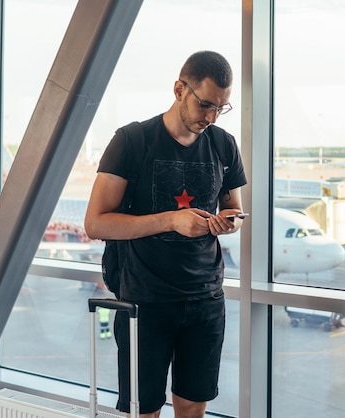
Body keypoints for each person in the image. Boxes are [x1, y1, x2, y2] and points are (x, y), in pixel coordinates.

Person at [84, 51, 247, 418]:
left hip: (206, 298)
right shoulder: (132, 140)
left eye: (221, 108)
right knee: (145, 410)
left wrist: (230, 221)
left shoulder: (223, 144)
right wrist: (170, 220)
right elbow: (95, 223)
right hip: (145, 299)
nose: (211, 116)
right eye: (205, 104)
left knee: (193, 405)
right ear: (178, 89)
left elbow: (233, 209)